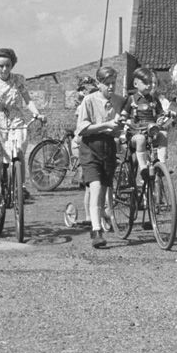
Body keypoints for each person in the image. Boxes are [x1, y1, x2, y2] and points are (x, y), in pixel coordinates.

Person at [0, 48, 44, 221]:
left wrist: (37, 113)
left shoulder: (18, 79)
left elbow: (28, 100)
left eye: (8, 66)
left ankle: (20, 187)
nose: (4, 69)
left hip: (15, 119)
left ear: (12, 65)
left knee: (19, 152)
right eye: (1, 66)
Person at [75, 66, 125, 249]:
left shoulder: (119, 100)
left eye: (114, 83)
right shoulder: (89, 100)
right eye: (107, 84)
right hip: (90, 146)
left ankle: (102, 216)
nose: (111, 87)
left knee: (104, 190)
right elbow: (82, 128)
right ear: (99, 83)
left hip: (109, 147)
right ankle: (96, 232)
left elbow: (127, 113)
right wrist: (105, 125)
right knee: (95, 188)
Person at [121, 68, 169, 184]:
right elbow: (124, 114)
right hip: (135, 132)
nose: (149, 85)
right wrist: (123, 119)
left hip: (151, 131)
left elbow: (159, 114)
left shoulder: (154, 100)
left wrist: (160, 119)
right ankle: (143, 168)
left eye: (150, 83)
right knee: (140, 139)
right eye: (145, 83)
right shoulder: (131, 99)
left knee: (163, 134)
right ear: (135, 83)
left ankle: (161, 165)